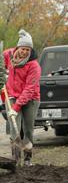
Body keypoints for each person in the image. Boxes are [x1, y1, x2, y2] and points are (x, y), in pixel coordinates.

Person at [2, 29, 41, 166]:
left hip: (31, 99)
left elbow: (29, 89)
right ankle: (15, 160)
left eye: (28, 50)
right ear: (18, 47)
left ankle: (28, 159)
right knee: (14, 128)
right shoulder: (8, 55)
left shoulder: (34, 66)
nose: (25, 52)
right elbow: (1, 67)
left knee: (28, 128)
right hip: (11, 95)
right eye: (23, 48)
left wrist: (17, 107)